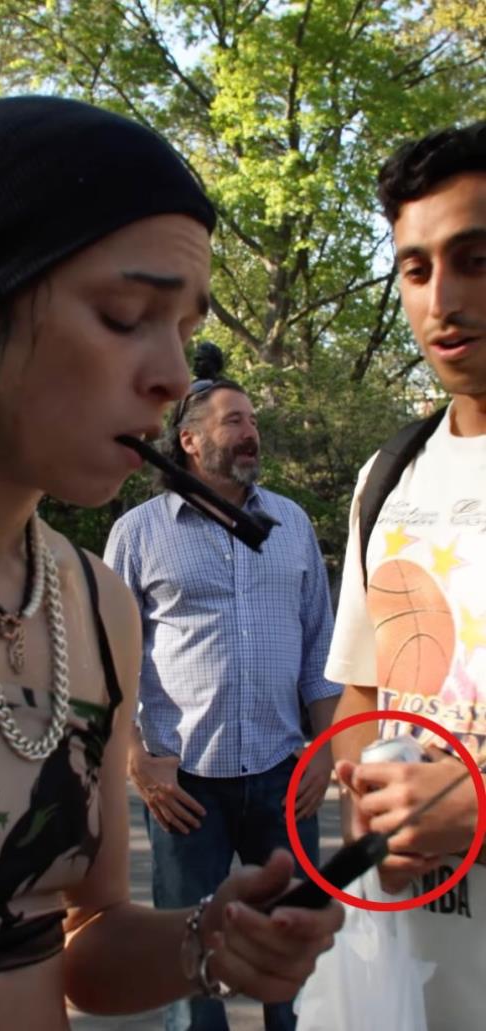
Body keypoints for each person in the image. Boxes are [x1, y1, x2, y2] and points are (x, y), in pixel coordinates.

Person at [0, 96, 344, 1031]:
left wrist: (208, 940)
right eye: (127, 313)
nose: (173, 373)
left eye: (182, 326)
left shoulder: (95, 603)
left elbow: (83, 942)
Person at [104, 344, 341, 1031]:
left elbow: (320, 643)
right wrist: (135, 760)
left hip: (282, 775)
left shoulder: (292, 524)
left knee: (291, 960)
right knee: (192, 968)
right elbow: (112, 656)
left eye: (253, 420)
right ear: (189, 439)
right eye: (234, 419)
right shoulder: (138, 534)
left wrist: (323, 746)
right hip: (186, 790)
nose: (250, 432)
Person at [325, 120, 486, 1031]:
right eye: (417, 268)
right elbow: (359, 691)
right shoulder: (387, 476)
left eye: (477, 257)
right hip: (410, 979)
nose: (442, 300)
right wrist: (372, 789)